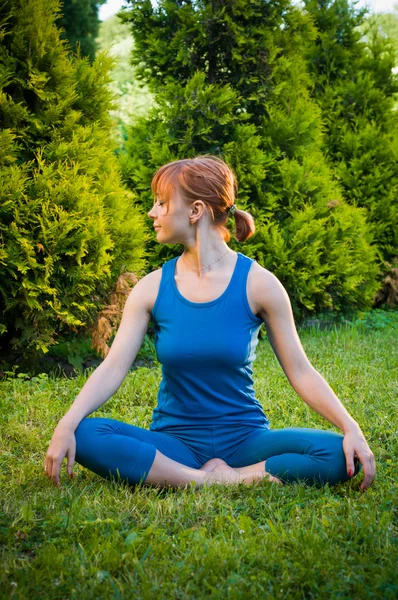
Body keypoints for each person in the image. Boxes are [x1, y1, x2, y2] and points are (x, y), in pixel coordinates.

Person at [44, 155, 376, 492]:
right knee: (85, 434)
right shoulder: (152, 288)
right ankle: (214, 481)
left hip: (246, 441)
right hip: (175, 443)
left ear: (195, 211)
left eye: (161, 203)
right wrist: (67, 422)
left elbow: (301, 371)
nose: (152, 213)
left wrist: (352, 429)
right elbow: (114, 367)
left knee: (337, 455)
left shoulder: (259, 284)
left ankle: (218, 475)